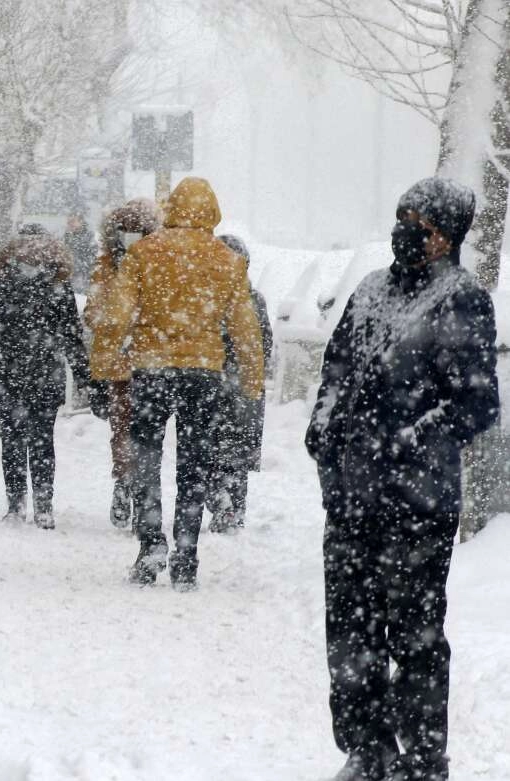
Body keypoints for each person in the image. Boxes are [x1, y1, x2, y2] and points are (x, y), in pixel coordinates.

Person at [306, 178, 499, 781]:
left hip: (418, 501)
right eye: (401, 215)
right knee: (350, 630)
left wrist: (410, 437)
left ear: (446, 235)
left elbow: (476, 403)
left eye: (419, 219)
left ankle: (420, 760)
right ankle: (366, 748)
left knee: (414, 637)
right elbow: (336, 369)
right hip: (352, 498)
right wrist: (323, 430)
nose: (405, 227)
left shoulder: (461, 299)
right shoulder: (369, 291)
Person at [95, 177, 264, 589]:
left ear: (172, 208)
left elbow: (117, 314)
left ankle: (151, 541)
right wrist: (252, 377)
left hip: (151, 370)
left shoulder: (143, 253)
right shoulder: (227, 261)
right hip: (203, 374)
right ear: (212, 212)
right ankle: (186, 553)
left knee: (147, 458)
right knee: (194, 465)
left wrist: (105, 361)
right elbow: (245, 326)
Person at [0, 227, 90, 530]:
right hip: (42, 375)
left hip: (8, 374)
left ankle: (18, 504)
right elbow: (72, 336)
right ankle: (41, 505)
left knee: (13, 440)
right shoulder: (56, 285)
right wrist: (82, 376)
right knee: (41, 441)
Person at [84, 197, 164, 530]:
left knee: (126, 430)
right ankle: (134, 485)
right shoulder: (156, 263)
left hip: (129, 361)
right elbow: (93, 312)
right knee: (138, 432)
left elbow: (93, 313)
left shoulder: (112, 266)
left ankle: (128, 483)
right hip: (145, 362)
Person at [205, 234, 273, 533]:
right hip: (244, 387)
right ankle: (232, 508)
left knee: (207, 449)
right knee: (236, 456)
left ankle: (218, 497)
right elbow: (265, 344)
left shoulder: (203, 297)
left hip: (213, 384)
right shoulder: (253, 298)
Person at [63, 211, 97, 294]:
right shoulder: (67, 236)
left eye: (73, 221)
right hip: (70, 276)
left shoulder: (89, 236)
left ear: (81, 222)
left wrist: (76, 264)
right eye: (68, 222)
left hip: (83, 276)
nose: (70, 224)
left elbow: (92, 258)